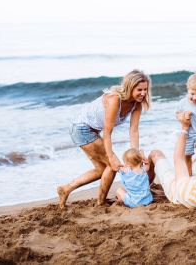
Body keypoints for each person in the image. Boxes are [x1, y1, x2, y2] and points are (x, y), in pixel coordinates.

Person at [57, 70, 151, 209]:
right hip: (81, 128)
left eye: (145, 89)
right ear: (129, 87)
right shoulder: (114, 100)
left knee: (102, 169)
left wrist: (137, 155)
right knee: (112, 165)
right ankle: (101, 202)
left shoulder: (137, 103)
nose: (143, 93)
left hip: (90, 130)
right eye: (139, 90)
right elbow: (108, 133)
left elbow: (134, 130)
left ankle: (66, 189)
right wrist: (111, 157)